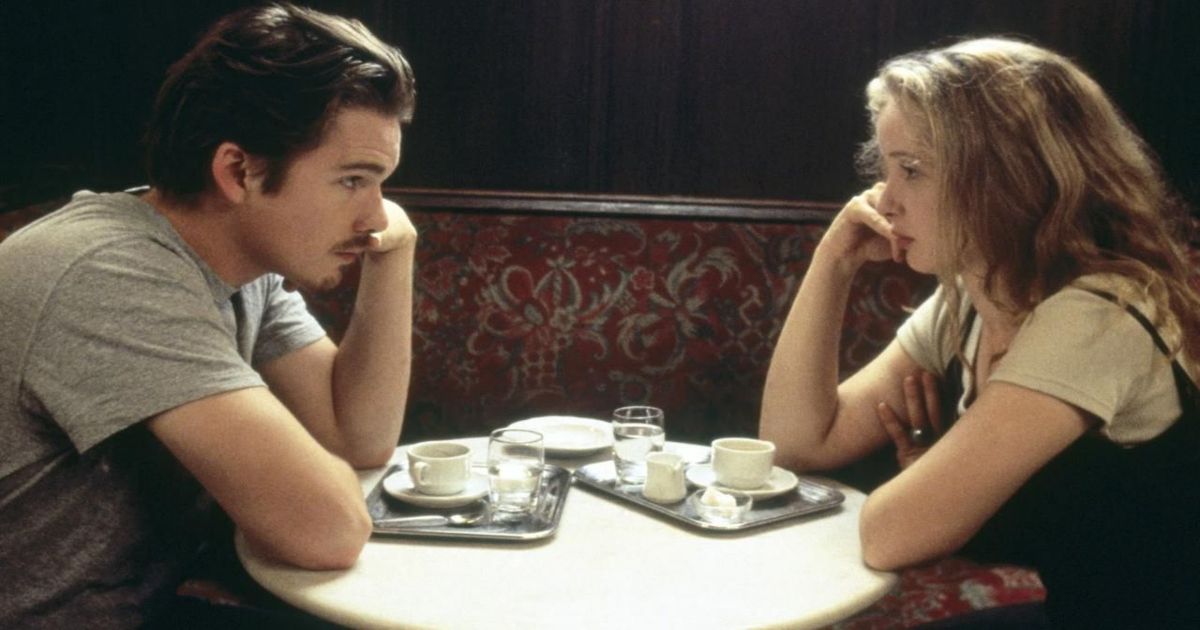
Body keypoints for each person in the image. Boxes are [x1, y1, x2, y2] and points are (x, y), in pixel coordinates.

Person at [0, 3, 417, 626]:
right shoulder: (107, 271)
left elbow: (358, 437)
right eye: (353, 180)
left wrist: (395, 257)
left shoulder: (244, 268)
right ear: (238, 170)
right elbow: (326, 529)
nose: (376, 215)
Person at [761, 37, 1199, 628]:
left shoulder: (1097, 315)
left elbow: (890, 537)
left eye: (911, 171)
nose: (884, 201)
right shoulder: (971, 298)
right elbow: (795, 446)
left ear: (1006, 178)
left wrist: (927, 483)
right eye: (885, 169)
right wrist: (832, 262)